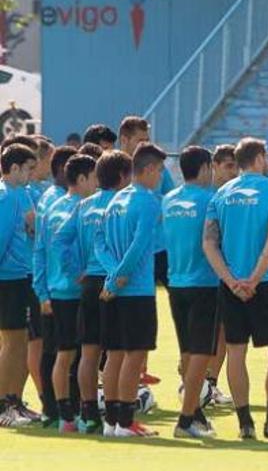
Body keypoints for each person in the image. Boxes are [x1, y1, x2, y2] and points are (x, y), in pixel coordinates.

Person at [203, 137, 268, 440]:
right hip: (264, 283)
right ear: (259, 159)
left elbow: (209, 244)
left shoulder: (221, 195)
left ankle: (245, 423)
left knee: (236, 352)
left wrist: (231, 281)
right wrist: (254, 279)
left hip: (231, 286)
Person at [55, 150, 132, 433]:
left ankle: (89, 414)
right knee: (116, 351)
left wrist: (76, 271)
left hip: (88, 283)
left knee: (88, 351)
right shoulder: (123, 204)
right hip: (115, 283)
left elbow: (60, 241)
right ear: (123, 176)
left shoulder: (84, 206)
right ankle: (115, 415)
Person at [94, 143, 166, 437]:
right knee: (133, 356)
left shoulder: (114, 201)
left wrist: (112, 274)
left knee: (114, 355)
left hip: (115, 289)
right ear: (148, 170)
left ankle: (111, 422)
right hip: (136, 290)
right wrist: (121, 275)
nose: (160, 177)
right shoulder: (148, 201)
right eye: (160, 171)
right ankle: (126, 422)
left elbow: (100, 243)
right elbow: (139, 245)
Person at [34, 155, 98, 432]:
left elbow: (39, 252)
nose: (96, 184)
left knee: (62, 353)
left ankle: (62, 414)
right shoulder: (82, 209)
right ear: (82, 179)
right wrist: (78, 273)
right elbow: (59, 248)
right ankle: (76, 414)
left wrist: (41, 291)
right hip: (74, 292)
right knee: (75, 354)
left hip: (55, 292)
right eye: (94, 178)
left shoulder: (50, 207)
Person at [163, 146, 220, 438]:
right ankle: (185, 420)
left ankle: (195, 413)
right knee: (200, 352)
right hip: (205, 283)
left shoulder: (168, 200)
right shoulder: (211, 200)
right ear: (206, 167)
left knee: (187, 350)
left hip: (176, 282)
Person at [117, 116, 174, 386]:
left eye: (146, 140)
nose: (144, 145)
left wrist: (157, 206)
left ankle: (142, 369)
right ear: (124, 140)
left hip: (160, 247)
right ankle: (129, 376)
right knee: (134, 308)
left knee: (158, 306)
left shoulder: (156, 168)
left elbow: (173, 198)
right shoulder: (114, 168)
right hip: (131, 253)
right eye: (140, 140)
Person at [0, 144, 38, 427]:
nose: (30, 175)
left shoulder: (21, 194)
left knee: (20, 342)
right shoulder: (7, 197)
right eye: (27, 169)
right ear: (13, 168)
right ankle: (3, 406)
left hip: (22, 276)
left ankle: (14, 400)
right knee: (12, 343)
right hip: (9, 279)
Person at [203, 144, 237, 406]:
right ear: (214, 166)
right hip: (206, 275)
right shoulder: (209, 197)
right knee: (206, 333)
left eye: (236, 165)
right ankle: (198, 384)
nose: (234, 171)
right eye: (228, 166)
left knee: (224, 331)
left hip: (226, 275)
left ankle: (211, 384)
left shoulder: (233, 197)